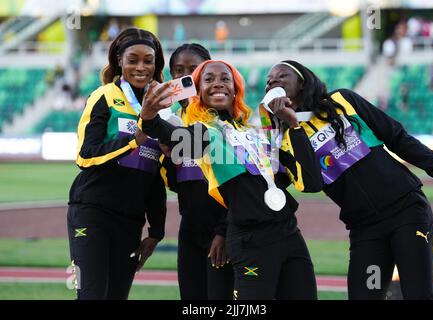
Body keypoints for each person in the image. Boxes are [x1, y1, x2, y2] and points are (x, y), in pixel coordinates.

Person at [264, 60, 433, 300]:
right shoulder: (285, 142)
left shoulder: (342, 101)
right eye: (269, 80)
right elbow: (311, 184)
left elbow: (397, 137)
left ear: (302, 82)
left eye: (281, 76)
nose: (272, 81)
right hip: (366, 230)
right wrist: (294, 125)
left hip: (407, 211)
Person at [139, 60, 323, 300]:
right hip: (250, 241)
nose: (218, 83)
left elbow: (312, 183)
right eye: (209, 79)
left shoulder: (255, 134)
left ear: (235, 89)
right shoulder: (204, 134)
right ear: (198, 92)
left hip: (289, 234)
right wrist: (150, 116)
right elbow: (170, 134)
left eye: (225, 79)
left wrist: (294, 125)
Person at [67, 27, 167, 300]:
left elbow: (154, 174)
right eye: (132, 59)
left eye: (149, 60)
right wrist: (136, 137)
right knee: (91, 296)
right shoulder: (103, 96)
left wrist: (156, 230)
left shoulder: (162, 106)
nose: (141, 67)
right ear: (119, 61)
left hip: (130, 221)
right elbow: (85, 156)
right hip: (92, 212)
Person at [166, 43, 234, 299]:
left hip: (224, 232)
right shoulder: (172, 119)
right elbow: (178, 182)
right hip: (190, 231)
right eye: (178, 70)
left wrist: (224, 231)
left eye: (193, 69)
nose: (184, 76)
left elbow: (243, 186)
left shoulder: (224, 116)